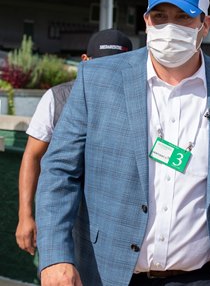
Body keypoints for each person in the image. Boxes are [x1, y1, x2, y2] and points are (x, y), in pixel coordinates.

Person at [36, 0, 210, 286]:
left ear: (204, 25)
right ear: (147, 21)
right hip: (108, 274)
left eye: (184, 17)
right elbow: (59, 172)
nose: (170, 27)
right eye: (160, 16)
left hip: (205, 278)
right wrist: (56, 256)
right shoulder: (97, 80)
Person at [15, 29, 133, 255]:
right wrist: (25, 215)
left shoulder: (141, 103)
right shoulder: (57, 97)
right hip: (61, 220)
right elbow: (32, 155)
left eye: (117, 66)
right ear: (85, 61)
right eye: (101, 65)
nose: (108, 73)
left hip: (114, 225)